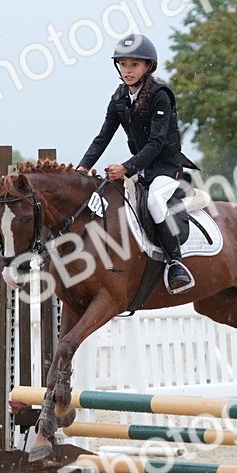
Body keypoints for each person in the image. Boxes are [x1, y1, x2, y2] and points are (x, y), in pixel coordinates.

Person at [78, 34, 200, 293]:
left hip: (167, 167)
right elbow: (103, 136)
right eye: (123, 64)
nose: (128, 70)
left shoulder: (160, 96)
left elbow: (156, 144)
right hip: (141, 169)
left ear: (148, 67)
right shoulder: (119, 97)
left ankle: (175, 263)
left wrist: (126, 168)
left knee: (155, 200)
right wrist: (83, 166)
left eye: (134, 64)